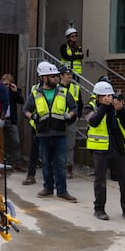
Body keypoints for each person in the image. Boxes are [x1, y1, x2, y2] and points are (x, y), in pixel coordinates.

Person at [23, 62, 78, 202]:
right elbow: (26, 110)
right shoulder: (36, 93)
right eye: (52, 76)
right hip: (43, 134)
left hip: (59, 133)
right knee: (46, 163)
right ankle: (48, 188)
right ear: (43, 78)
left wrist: (69, 115)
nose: (56, 78)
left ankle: (62, 191)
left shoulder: (63, 92)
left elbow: (74, 108)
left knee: (60, 163)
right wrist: (32, 116)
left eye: (56, 76)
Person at [85, 81, 125, 221]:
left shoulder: (115, 106)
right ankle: (99, 209)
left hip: (117, 148)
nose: (109, 98)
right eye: (105, 96)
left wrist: (120, 109)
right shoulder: (91, 107)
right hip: (100, 149)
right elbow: (93, 121)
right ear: (98, 96)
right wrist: (104, 107)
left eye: (110, 95)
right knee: (100, 180)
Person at [58, 64, 83, 178]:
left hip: (71, 121)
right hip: (58, 121)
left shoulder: (75, 88)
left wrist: (77, 116)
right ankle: (58, 167)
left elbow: (80, 104)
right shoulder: (55, 88)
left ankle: (69, 169)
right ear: (61, 76)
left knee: (70, 146)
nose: (70, 76)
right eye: (67, 74)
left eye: (70, 74)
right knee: (58, 146)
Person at [1, 73, 25, 171]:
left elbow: (21, 101)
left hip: (11, 120)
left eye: (8, 84)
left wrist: (15, 92)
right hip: (1, 120)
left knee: (16, 141)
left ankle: (17, 162)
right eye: (5, 84)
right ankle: (2, 161)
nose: (6, 86)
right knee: (1, 142)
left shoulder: (13, 92)